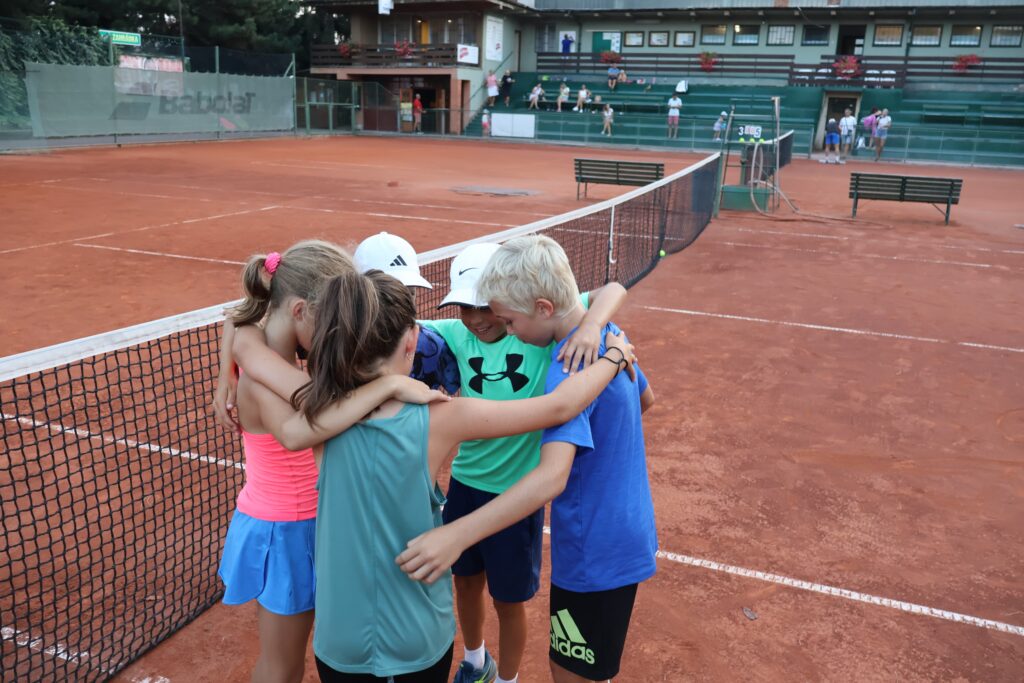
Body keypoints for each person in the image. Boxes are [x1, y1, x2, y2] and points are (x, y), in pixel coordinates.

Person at [265, 269, 633, 682]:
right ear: (410, 341)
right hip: (417, 641)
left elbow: (252, 345)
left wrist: (232, 345)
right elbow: (560, 408)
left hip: (338, 642)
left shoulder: (314, 407)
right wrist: (613, 357)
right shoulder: (441, 417)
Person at [396, 235, 656, 683]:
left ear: (541, 307)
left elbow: (552, 477)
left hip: (591, 545)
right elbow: (646, 398)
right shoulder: (609, 338)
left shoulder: (568, 367)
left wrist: (456, 534)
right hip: (622, 528)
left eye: (510, 321)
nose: (507, 330)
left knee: (570, 672)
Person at [215, 240, 353, 683]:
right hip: (286, 531)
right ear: (299, 311)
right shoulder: (264, 376)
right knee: (282, 667)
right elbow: (313, 420)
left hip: (307, 521)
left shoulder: (260, 349)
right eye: (330, 322)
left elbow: (234, 321)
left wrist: (224, 373)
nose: (337, 334)